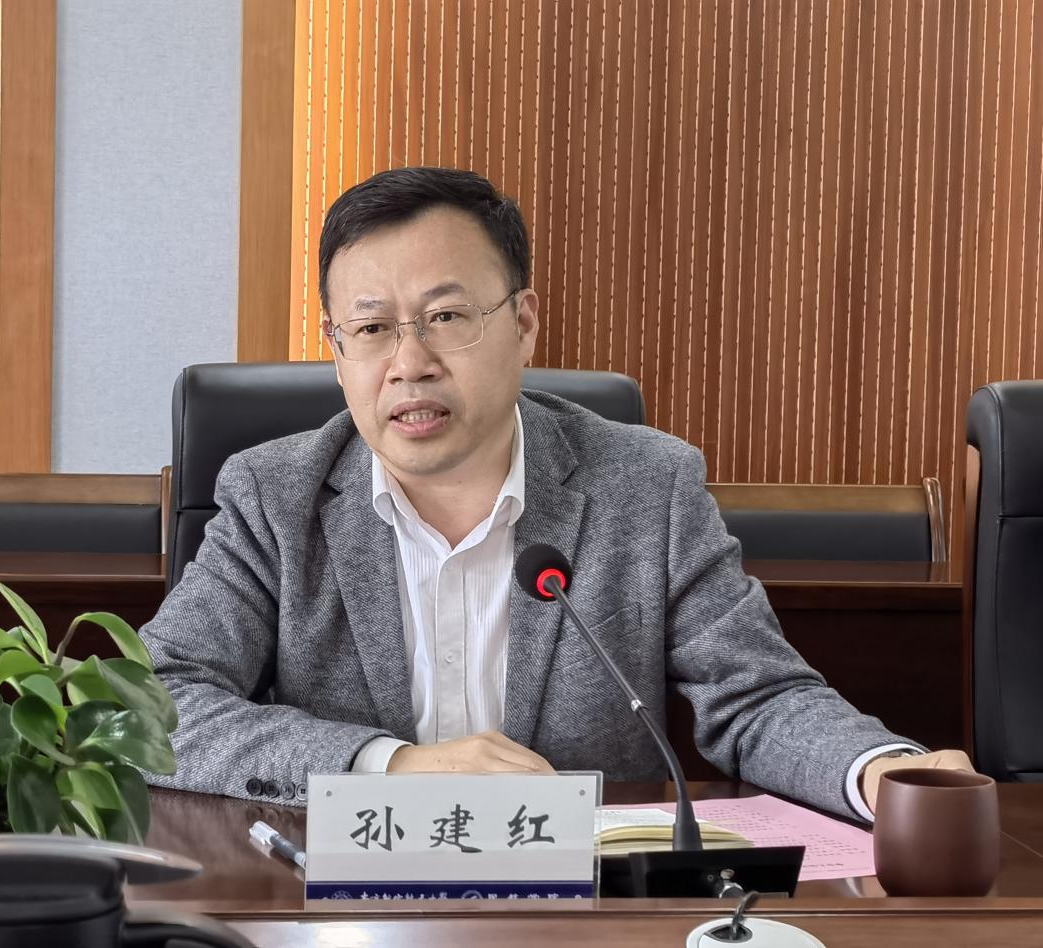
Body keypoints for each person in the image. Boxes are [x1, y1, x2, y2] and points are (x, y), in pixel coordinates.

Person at [141, 166, 970, 820]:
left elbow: (756, 699)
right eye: (371, 329)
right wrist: (390, 766)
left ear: (524, 323)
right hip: (348, 906)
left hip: (580, 907)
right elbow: (153, 705)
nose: (410, 363)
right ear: (337, 350)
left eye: (446, 317)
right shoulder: (275, 496)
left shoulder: (647, 487)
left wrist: (883, 771)